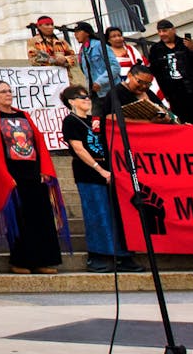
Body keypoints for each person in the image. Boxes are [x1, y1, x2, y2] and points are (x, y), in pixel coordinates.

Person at [0, 80, 69, 274]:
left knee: (41, 216)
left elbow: (39, 141)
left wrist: (45, 168)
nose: (8, 94)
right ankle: (20, 260)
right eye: (3, 92)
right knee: (21, 219)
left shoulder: (23, 115)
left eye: (9, 91)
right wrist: (4, 176)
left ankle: (43, 260)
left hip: (33, 172)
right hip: (12, 174)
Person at [60, 84, 142, 273]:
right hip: (89, 172)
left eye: (88, 96)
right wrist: (100, 169)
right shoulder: (70, 121)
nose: (87, 100)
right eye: (81, 97)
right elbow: (79, 149)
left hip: (108, 169)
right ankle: (97, 256)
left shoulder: (94, 120)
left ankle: (122, 255)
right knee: (97, 213)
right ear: (71, 102)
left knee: (115, 214)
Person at [148, 20, 193, 123]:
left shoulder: (186, 44)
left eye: (164, 31)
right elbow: (154, 71)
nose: (162, 34)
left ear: (173, 30)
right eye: (159, 31)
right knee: (182, 123)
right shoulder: (156, 49)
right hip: (173, 95)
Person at [74, 22, 121, 114]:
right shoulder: (82, 51)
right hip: (95, 94)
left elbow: (115, 67)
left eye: (78, 31)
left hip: (110, 90)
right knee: (98, 122)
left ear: (87, 33)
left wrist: (100, 81)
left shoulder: (99, 45)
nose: (76, 35)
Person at [107, 26, 160, 100]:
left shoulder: (130, 49)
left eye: (119, 35)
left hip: (139, 80)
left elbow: (142, 63)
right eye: (114, 36)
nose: (118, 38)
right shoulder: (107, 53)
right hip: (122, 84)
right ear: (109, 40)